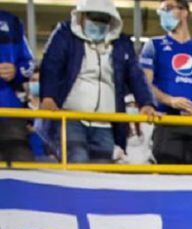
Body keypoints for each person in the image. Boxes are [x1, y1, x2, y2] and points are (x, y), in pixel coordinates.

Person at [38, 0, 154, 164]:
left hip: (105, 123)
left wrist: (146, 102)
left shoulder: (121, 44)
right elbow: (51, 65)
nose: (98, 23)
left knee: (103, 172)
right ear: (82, 17)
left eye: (103, 19)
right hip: (70, 117)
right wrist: (48, 97)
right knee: (77, 160)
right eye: (94, 18)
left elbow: (136, 75)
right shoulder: (65, 35)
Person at [140, 0, 192, 164]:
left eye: (168, 9)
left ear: (184, 12)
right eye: (161, 11)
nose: (163, 14)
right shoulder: (153, 45)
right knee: (168, 181)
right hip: (167, 123)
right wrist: (170, 100)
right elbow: (144, 83)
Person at [0, 10, 35, 163]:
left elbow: (28, 63)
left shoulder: (11, 21)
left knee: (23, 167)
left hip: (10, 111)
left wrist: (16, 71)